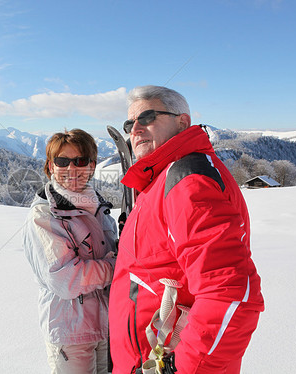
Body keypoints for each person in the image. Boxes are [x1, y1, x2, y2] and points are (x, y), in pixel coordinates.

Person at [108, 86, 265, 373]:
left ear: (182, 122)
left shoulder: (187, 181)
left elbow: (230, 294)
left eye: (148, 117)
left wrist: (183, 367)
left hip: (166, 361)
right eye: (130, 123)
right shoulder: (161, 179)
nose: (136, 129)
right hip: (142, 357)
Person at [23, 128, 117, 374]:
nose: (71, 168)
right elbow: (65, 279)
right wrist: (114, 267)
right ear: (50, 166)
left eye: (81, 161)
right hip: (70, 332)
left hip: (106, 326)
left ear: (92, 166)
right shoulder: (45, 215)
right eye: (62, 161)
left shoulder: (99, 207)